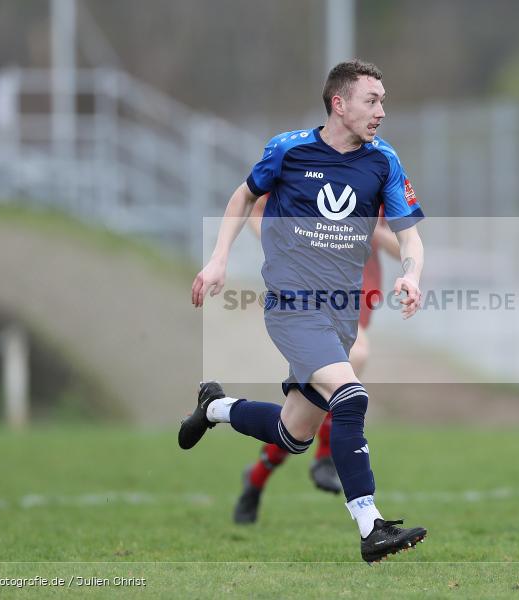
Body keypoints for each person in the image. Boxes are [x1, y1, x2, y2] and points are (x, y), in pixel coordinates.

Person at [181, 59, 427, 563]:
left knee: (292, 434)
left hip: (341, 312)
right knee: (351, 396)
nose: (381, 111)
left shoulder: (384, 161)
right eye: (371, 101)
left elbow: (409, 236)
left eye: (382, 101)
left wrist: (412, 273)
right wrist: (219, 259)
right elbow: (243, 197)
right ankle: (371, 525)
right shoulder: (288, 149)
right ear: (340, 103)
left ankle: (215, 408)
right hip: (292, 305)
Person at [234, 197, 400, 524]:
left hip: (356, 289)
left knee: (305, 414)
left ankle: (259, 475)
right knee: (336, 380)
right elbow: (256, 208)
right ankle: (312, 459)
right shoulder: (304, 169)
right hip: (309, 289)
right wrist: (277, 245)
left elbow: (403, 243)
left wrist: (373, 229)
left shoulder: (379, 175)